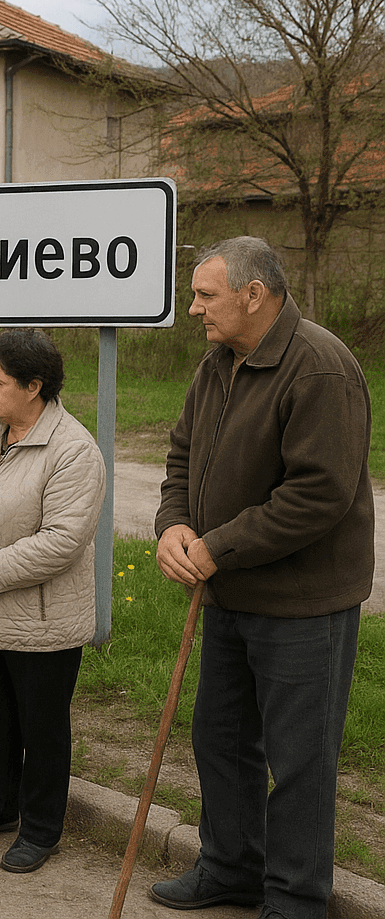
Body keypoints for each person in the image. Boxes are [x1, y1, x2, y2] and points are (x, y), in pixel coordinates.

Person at [151, 236, 371, 919]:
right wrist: (173, 525)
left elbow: (318, 494)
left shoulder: (321, 368)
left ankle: (297, 900)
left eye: (205, 295)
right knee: (219, 740)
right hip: (228, 595)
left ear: (254, 294)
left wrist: (217, 547)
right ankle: (231, 869)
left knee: (301, 762)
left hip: (303, 605)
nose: (193, 309)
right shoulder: (217, 363)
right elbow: (182, 455)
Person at [0, 328, 106, 874]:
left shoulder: (74, 450)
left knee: (42, 730)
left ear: (34, 386)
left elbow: (63, 540)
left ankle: (39, 829)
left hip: (42, 626)